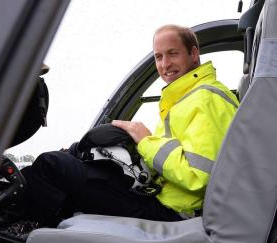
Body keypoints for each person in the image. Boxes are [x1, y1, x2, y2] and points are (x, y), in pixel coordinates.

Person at [21, 24, 238, 224]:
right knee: (77, 152)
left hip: (171, 212)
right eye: (158, 57)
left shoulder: (206, 99)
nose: (165, 64)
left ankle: (20, 230)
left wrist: (145, 140)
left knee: (52, 165)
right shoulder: (188, 97)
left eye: (173, 53)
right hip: (157, 196)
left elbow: (198, 177)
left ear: (193, 53)